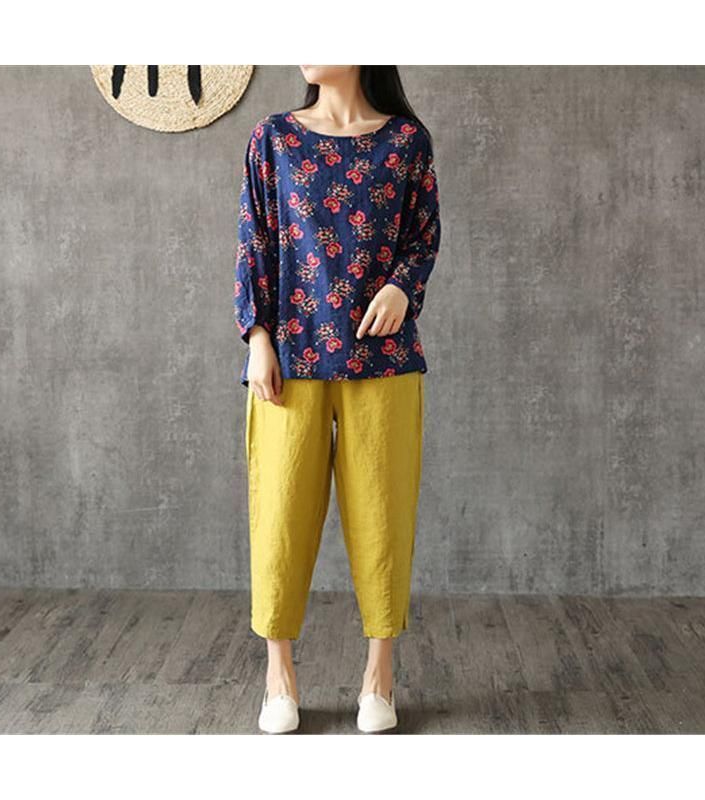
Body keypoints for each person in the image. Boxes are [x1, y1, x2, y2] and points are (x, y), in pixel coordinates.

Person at [233, 65, 441, 733]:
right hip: (290, 357)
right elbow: (255, 240)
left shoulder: (406, 142)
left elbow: (423, 236)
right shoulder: (273, 139)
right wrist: (257, 337)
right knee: (280, 514)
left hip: (383, 358)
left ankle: (379, 675)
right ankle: (279, 676)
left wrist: (403, 286)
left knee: (384, 516)